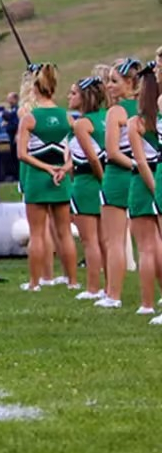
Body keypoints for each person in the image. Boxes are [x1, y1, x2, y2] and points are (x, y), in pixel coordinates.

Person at [17, 63, 79, 292]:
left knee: (37, 233)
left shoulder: (30, 118)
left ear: (35, 88)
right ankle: (72, 281)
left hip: (37, 179)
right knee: (64, 233)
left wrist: (46, 168)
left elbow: (22, 154)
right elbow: (79, 151)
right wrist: (63, 168)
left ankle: (35, 283)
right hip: (61, 180)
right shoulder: (67, 117)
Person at [95, 58, 142, 309]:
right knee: (148, 243)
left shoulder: (117, 111)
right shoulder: (149, 107)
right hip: (143, 177)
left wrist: (134, 165)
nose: (109, 86)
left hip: (117, 176)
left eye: (114, 81)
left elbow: (112, 152)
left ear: (130, 83)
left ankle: (113, 295)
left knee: (113, 241)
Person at [127, 62, 162, 317]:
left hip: (143, 184)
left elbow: (140, 161)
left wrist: (153, 188)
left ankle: (148, 303)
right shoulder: (157, 118)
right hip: (156, 179)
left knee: (147, 248)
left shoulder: (136, 122)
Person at [68, 76, 108, 300]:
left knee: (89, 240)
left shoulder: (82, 124)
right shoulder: (105, 117)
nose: (69, 97)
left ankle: (94, 288)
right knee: (104, 240)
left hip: (87, 182)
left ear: (84, 97)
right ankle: (109, 287)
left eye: (73, 93)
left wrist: (103, 180)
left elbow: (92, 160)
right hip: (101, 182)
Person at [2, 92, 20, 181]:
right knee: (13, 157)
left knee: (16, 157)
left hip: (15, 138)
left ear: (15, 99)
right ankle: (16, 175)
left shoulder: (17, 110)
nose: (8, 100)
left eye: (9, 98)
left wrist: (8, 125)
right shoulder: (12, 110)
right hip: (11, 137)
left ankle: (18, 176)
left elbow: (17, 124)